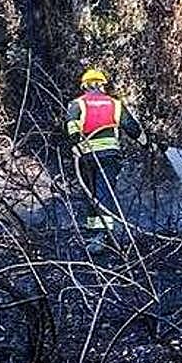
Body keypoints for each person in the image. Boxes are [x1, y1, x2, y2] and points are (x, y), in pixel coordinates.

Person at [65, 67, 147, 254]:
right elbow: (131, 127)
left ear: (85, 86)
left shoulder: (77, 104)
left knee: (91, 193)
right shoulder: (115, 104)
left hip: (86, 156)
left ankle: (96, 234)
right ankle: (102, 235)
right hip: (109, 156)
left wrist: (75, 144)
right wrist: (145, 142)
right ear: (102, 85)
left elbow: (71, 126)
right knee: (105, 193)